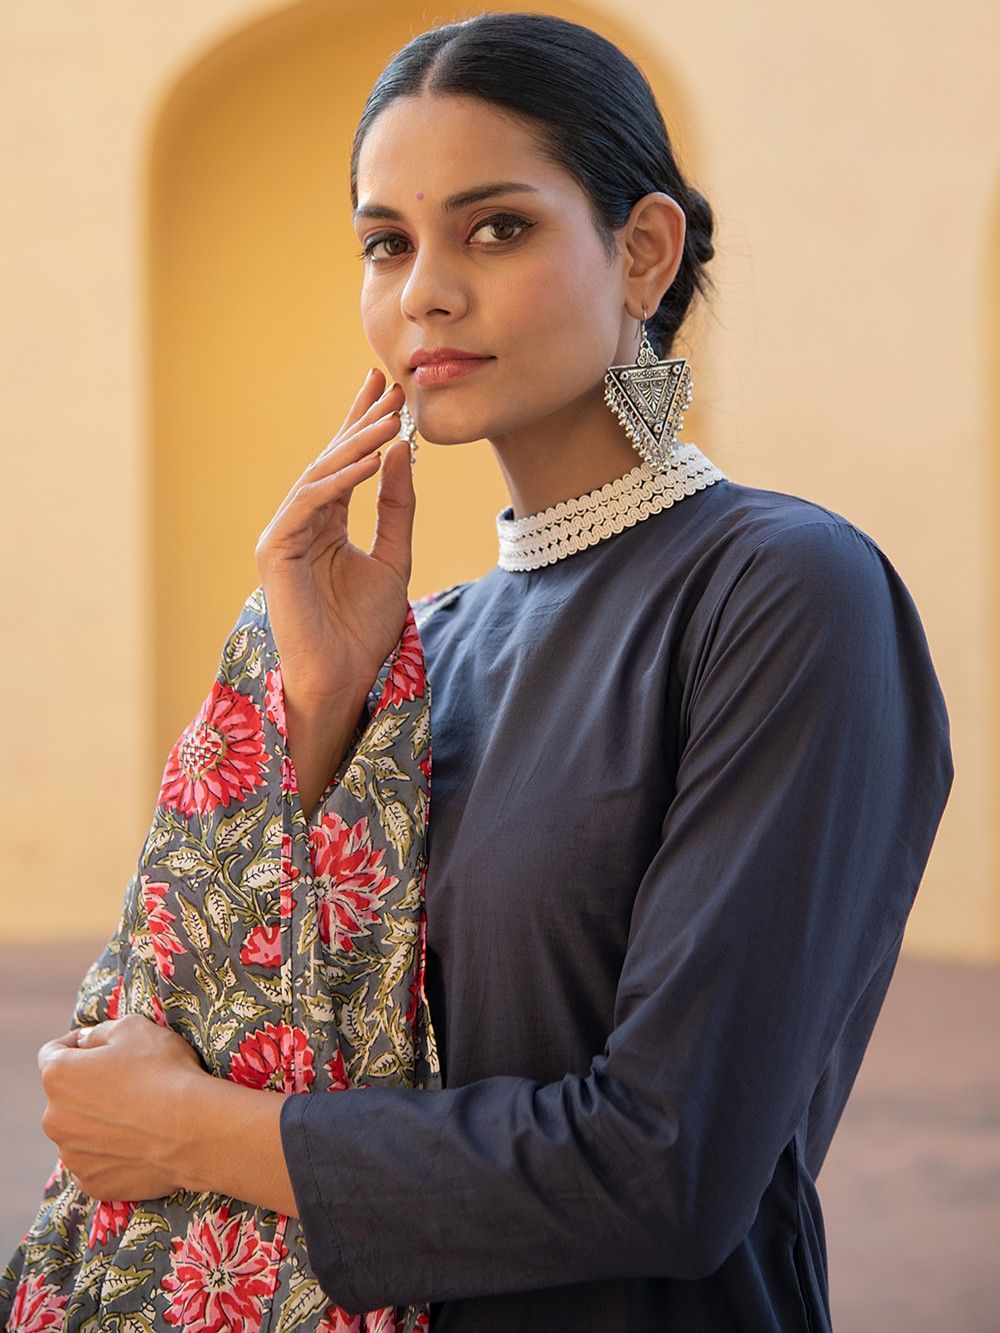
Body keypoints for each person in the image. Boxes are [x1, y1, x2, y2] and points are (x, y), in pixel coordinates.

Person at [5, 11, 953, 1332]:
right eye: (386, 242)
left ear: (643, 250)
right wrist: (323, 712)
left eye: (494, 226)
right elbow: (262, 1026)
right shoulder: (427, 640)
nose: (424, 292)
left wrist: (188, 1132)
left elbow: (666, 1165)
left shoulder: (783, 590)